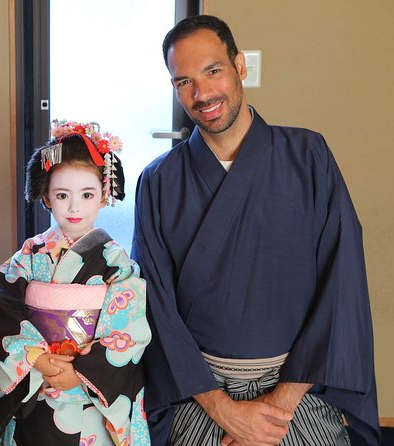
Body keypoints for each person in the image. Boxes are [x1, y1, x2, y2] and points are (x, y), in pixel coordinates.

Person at [132, 15, 380, 446]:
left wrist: (275, 411)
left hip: (297, 391)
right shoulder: (157, 181)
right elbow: (154, 304)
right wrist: (225, 411)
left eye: (213, 71)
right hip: (200, 395)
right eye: (183, 82)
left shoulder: (309, 156)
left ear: (240, 66)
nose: (202, 94)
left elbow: (342, 282)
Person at [0, 121, 151, 445]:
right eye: (62, 194)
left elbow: (129, 331)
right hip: (38, 388)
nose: (75, 206)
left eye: (87, 194)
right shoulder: (31, 256)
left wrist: (80, 371)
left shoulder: (117, 264)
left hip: (91, 401)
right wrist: (39, 359)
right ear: (45, 196)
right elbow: (1, 298)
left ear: (104, 196)